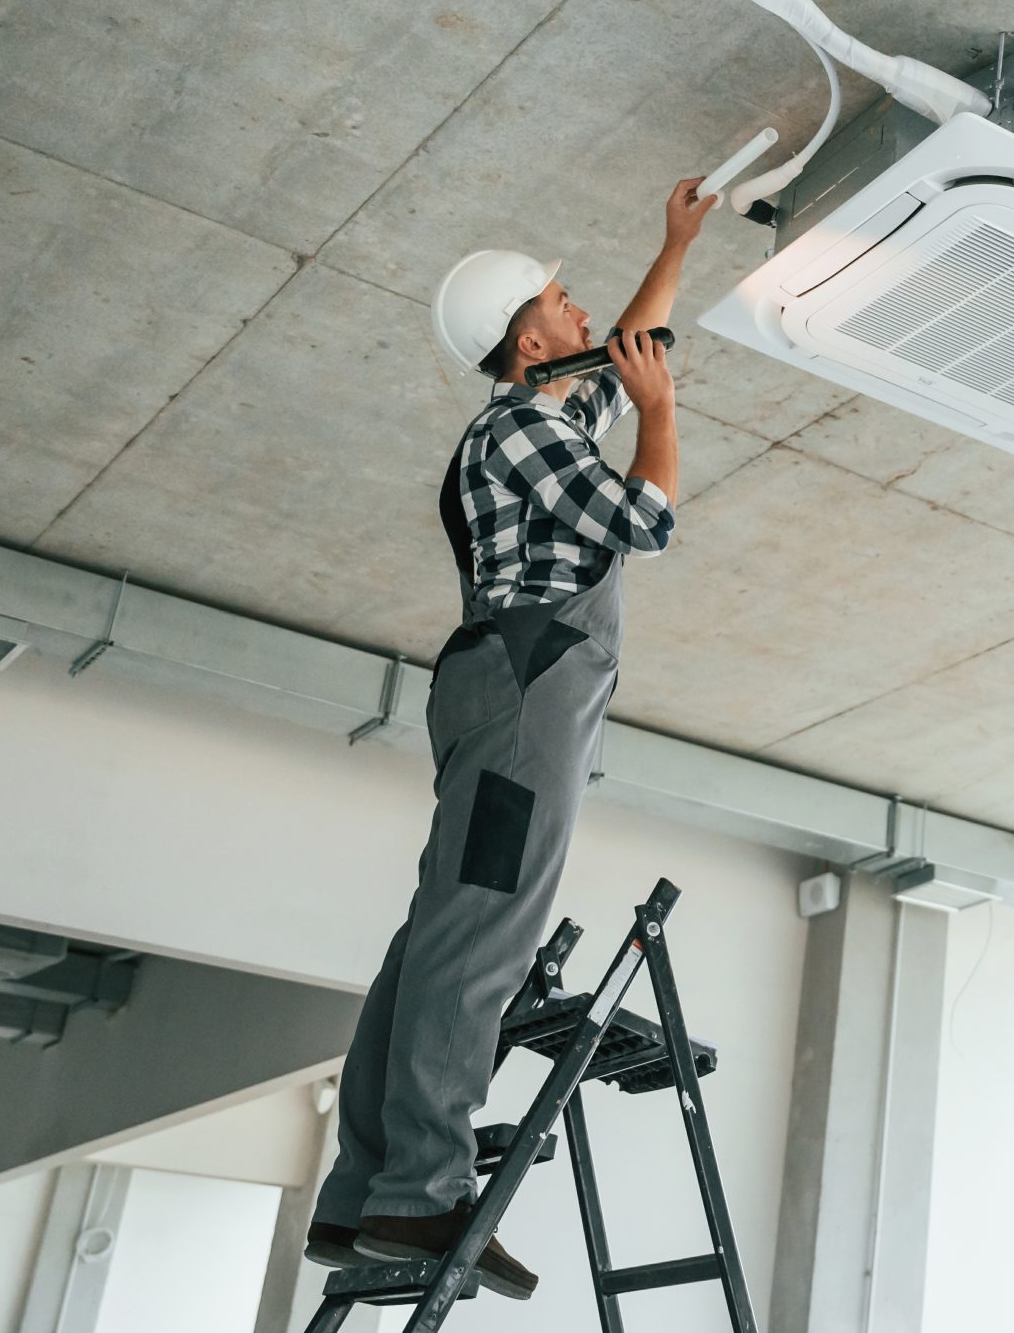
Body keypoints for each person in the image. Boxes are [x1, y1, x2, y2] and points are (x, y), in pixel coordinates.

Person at [302, 175, 722, 1298]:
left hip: (515, 683)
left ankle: (362, 1195)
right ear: (529, 332)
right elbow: (649, 519)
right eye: (565, 299)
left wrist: (673, 236)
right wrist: (664, 412)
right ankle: (420, 1195)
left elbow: (628, 341)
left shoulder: (542, 407)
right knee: (477, 935)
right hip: (527, 689)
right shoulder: (527, 425)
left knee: (439, 934)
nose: (584, 314)